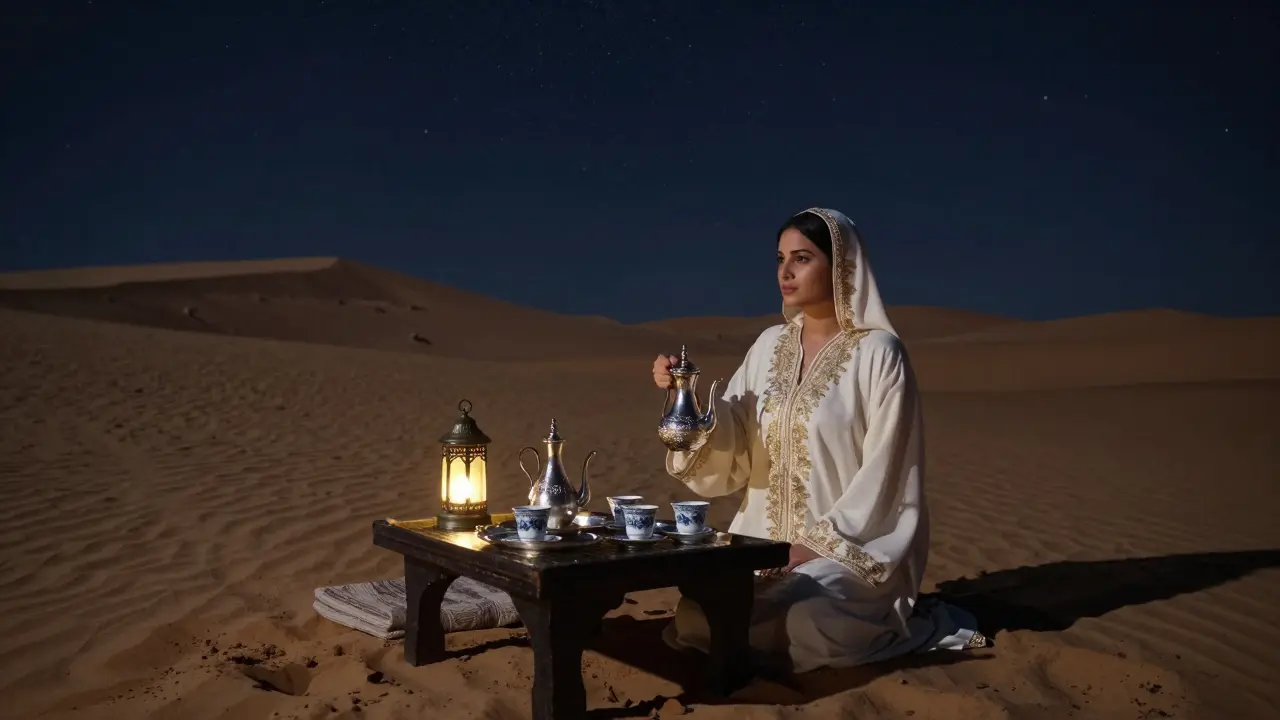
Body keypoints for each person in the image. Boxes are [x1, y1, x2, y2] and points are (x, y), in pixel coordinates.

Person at [652, 207, 987, 673]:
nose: (786, 271)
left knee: (811, 618)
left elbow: (888, 470)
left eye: (803, 258)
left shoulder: (879, 354)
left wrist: (818, 544)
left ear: (841, 267)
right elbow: (735, 438)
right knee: (696, 617)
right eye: (780, 258)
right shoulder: (769, 345)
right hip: (761, 542)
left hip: (852, 545)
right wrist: (682, 397)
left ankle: (899, 616)